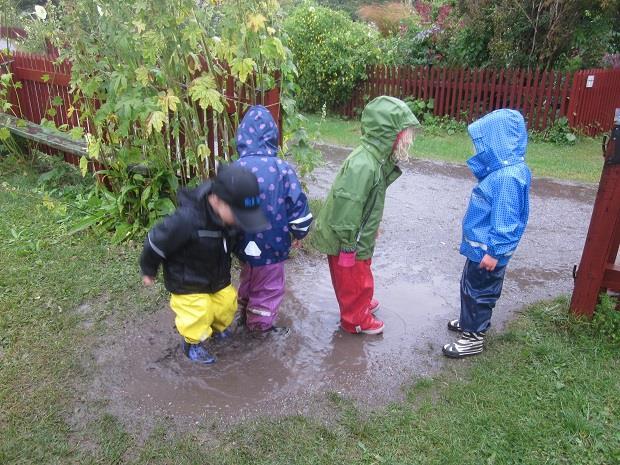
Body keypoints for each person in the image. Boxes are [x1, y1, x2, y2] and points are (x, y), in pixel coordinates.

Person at [140, 165, 269, 364]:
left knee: (226, 303)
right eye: (238, 215)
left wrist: (245, 255)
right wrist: (149, 269)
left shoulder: (229, 220)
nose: (240, 221)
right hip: (187, 281)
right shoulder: (186, 220)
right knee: (198, 313)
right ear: (217, 200)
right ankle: (193, 343)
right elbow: (156, 242)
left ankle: (218, 329)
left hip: (217, 277)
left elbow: (234, 242)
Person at [312, 96, 420, 335]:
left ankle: (360, 302)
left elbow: (367, 202)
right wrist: (349, 242)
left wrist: (372, 226)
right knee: (352, 278)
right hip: (347, 238)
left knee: (360, 273)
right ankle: (355, 318)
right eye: (404, 134)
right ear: (387, 132)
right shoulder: (364, 165)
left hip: (357, 233)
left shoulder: (375, 159)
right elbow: (348, 204)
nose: (407, 140)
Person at [443, 108, 531, 358]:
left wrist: (495, 251)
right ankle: (469, 322)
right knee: (469, 286)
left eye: (484, 143)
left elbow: (507, 220)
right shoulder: (507, 171)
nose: (479, 149)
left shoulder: (506, 178)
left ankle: (473, 338)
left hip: (488, 252)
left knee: (479, 293)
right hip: (481, 249)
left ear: (499, 141)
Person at [233, 105, 313, 333]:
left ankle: (244, 309)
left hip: (243, 243)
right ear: (272, 137)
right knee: (268, 286)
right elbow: (297, 204)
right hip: (272, 244)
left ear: (242, 136)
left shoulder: (236, 168)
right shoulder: (282, 169)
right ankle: (259, 326)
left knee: (248, 275)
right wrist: (300, 232)